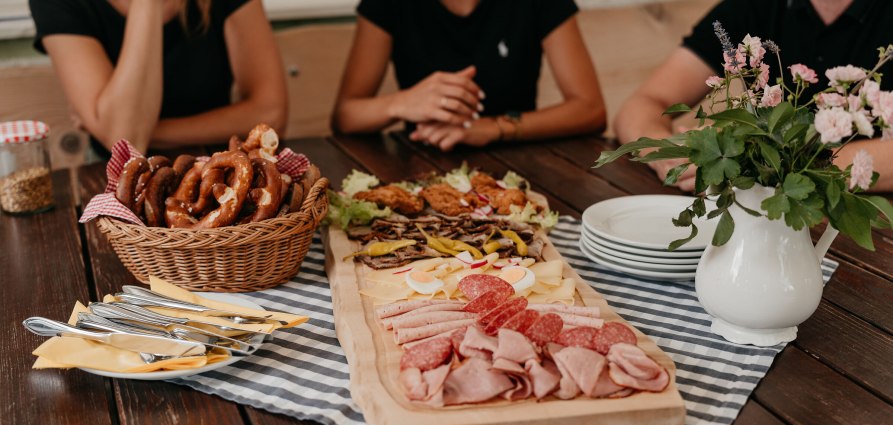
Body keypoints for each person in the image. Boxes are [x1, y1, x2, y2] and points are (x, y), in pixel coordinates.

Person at [614, 0, 893, 192]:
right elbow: (643, 104)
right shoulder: (755, 6)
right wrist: (668, 157)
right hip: (761, 214)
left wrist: (766, 167)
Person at [331, 0, 606, 152]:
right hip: (419, 163)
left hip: (523, 162)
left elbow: (590, 109)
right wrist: (402, 103)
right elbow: (345, 117)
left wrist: (494, 128)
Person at [29, 0, 287, 156]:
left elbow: (271, 113)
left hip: (221, 166)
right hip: (116, 181)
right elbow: (126, 137)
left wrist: (141, 132)